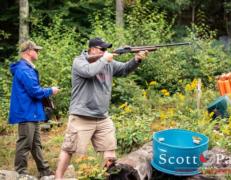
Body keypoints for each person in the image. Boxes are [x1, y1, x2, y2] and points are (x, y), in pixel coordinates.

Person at [55, 37, 148, 179]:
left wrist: (137, 59)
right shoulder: (79, 61)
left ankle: (106, 176)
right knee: (69, 149)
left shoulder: (108, 62)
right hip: (82, 115)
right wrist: (105, 59)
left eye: (106, 49)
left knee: (110, 150)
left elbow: (124, 70)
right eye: (102, 49)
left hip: (102, 116)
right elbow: (89, 72)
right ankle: (58, 177)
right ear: (92, 49)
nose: (105, 51)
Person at [9, 40, 60, 178]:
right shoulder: (24, 69)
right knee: (25, 144)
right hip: (26, 113)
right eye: (36, 50)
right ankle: (21, 173)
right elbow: (35, 92)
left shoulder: (27, 68)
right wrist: (51, 90)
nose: (38, 52)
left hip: (32, 112)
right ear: (28, 52)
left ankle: (45, 171)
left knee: (36, 144)